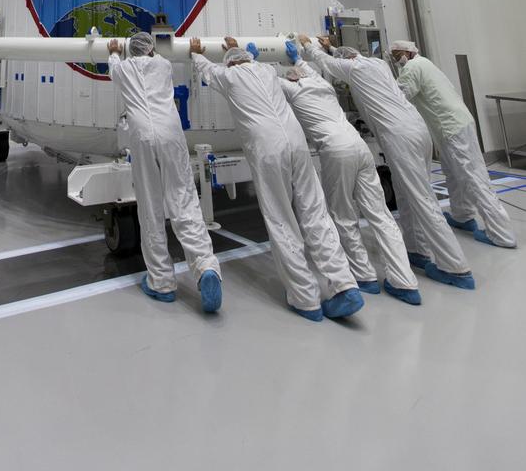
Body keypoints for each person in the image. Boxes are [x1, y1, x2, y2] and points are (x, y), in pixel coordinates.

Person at [190, 38, 363, 322]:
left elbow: (206, 69)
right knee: (315, 212)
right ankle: (343, 285)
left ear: (231, 62)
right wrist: (243, 53)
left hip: (268, 148)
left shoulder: (229, 76)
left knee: (281, 217)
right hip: (296, 141)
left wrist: (197, 53)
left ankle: (305, 298)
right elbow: (248, 62)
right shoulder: (268, 72)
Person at [300, 36, 475, 289]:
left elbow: (326, 63)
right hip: (418, 130)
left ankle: (455, 266)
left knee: (422, 198)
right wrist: (332, 46)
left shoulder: (354, 68)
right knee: (406, 193)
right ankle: (417, 250)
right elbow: (341, 57)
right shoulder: (377, 64)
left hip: (399, 136)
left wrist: (307, 47)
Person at [279, 61, 420, 304]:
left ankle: (364, 276)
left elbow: (265, 80)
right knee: (380, 214)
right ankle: (405, 282)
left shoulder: (293, 89)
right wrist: (297, 58)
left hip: (337, 150)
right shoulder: (323, 85)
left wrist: (246, 60)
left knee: (343, 214)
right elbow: (308, 72)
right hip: (359, 147)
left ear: (293, 80)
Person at [107, 32, 222, 314]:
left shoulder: (122, 69)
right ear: (150, 50)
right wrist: (193, 48)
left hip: (143, 137)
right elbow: (153, 55)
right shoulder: (163, 66)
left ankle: (162, 283)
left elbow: (114, 67)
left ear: (129, 51)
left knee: (150, 207)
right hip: (171, 133)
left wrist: (112, 50)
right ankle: (206, 267)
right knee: (183, 199)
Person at [391, 40, 516, 249]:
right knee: (453, 174)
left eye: (397, 55)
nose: (395, 59)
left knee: (473, 178)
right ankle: (462, 215)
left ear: (407, 52)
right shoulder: (425, 63)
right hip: (454, 124)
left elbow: (400, 96)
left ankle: (502, 234)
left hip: (451, 128)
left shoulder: (412, 67)